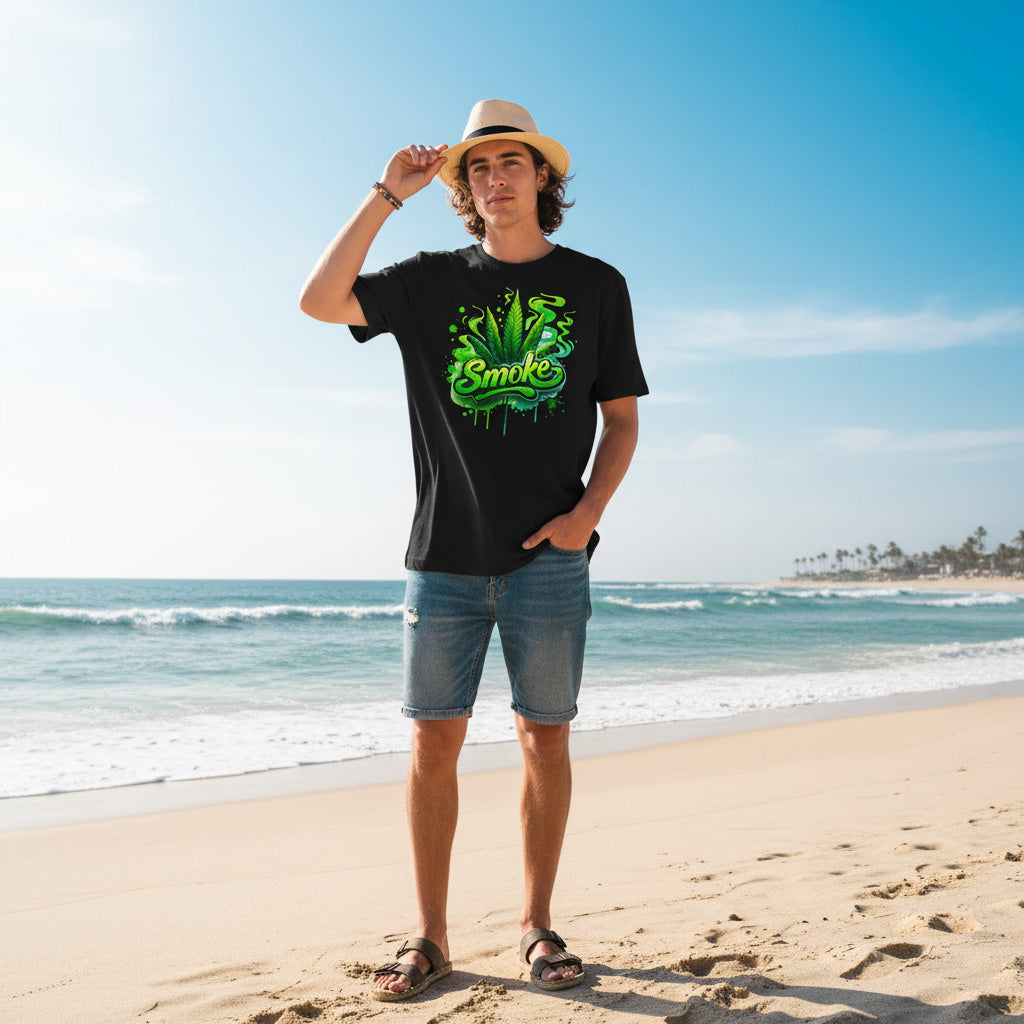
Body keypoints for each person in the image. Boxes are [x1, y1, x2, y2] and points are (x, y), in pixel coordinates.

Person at [299, 99, 647, 1001]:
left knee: (545, 742)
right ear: (464, 187)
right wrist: (387, 193)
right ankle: (430, 936)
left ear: (543, 178)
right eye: (479, 167)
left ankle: (537, 926)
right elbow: (319, 301)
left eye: (512, 163)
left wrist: (586, 515)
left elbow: (621, 419)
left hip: (550, 560)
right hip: (443, 559)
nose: (496, 178)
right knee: (432, 748)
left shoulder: (596, 285)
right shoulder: (427, 281)